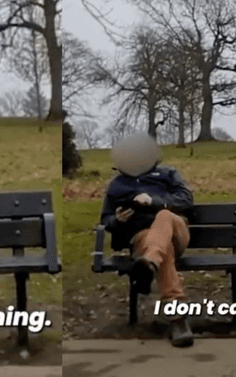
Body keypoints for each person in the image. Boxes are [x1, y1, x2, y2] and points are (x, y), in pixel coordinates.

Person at [100, 133, 195, 347]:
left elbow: (187, 200)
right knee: (160, 247)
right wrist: (116, 220)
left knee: (163, 217)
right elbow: (105, 220)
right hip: (145, 238)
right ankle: (178, 319)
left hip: (175, 227)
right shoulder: (117, 185)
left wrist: (155, 201)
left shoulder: (168, 174)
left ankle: (148, 263)